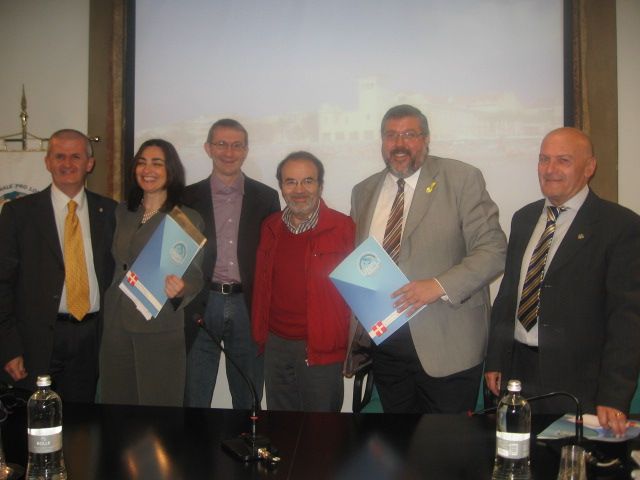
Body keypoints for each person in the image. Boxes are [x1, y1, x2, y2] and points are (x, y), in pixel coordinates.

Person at [344, 105, 506, 413]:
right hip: (386, 347)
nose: (399, 144)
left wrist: (438, 285)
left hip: (448, 344)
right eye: (390, 135)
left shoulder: (461, 178)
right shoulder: (363, 191)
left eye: (409, 134)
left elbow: (493, 249)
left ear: (426, 139)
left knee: (444, 441)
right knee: (398, 439)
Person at [485, 127, 640, 435]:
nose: (550, 169)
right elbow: (509, 294)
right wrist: (496, 358)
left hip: (579, 382)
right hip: (517, 373)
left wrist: (614, 395)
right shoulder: (524, 218)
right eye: (544, 159)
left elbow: (627, 320)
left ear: (589, 167)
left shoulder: (620, 226)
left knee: (568, 458)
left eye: (563, 160)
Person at [0, 129, 116, 401]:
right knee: (34, 421)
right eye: (59, 156)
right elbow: (2, 284)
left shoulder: (110, 212)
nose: (67, 163)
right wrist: (9, 347)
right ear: (47, 162)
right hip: (36, 340)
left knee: (82, 421)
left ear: (90, 163)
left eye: (76, 156)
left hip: (91, 338)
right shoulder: (18, 213)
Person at [183, 119, 280, 409]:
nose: (229, 152)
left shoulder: (266, 197)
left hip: (247, 305)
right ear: (208, 148)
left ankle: (247, 439)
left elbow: (271, 258)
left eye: (237, 145)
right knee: (194, 393)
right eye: (222, 144)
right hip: (201, 303)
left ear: (246, 150)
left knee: (248, 396)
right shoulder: (186, 198)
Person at [99, 139, 204, 407]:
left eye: (157, 163)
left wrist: (182, 288)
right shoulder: (122, 211)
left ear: (171, 170)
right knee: (116, 406)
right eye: (142, 163)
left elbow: (195, 275)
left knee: (158, 408)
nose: (148, 170)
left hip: (159, 322)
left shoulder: (186, 218)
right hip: (115, 321)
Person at [252, 151, 355, 412]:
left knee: (322, 428)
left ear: (320, 185)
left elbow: (358, 293)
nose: (299, 190)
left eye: (308, 181)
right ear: (281, 186)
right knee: (281, 425)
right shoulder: (269, 227)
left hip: (321, 347)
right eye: (291, 182)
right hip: (275, 346)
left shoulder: (344, 228)